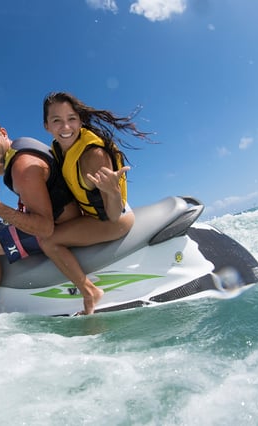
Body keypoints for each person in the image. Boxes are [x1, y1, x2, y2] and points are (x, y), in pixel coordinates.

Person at [37, 92, 151, 314]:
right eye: (56, 120)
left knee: (48, 241)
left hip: (114, 219)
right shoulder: (58, 149)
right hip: (94, 214)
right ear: (47, 126)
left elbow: (113, 214)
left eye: (71, 118)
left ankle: (90, 292)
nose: (65, 126)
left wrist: (112, 191)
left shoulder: (93, 156)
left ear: (80, 120)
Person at [0, 117, 80, 313]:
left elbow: (45, 228)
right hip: (66, 212)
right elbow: (4, 165)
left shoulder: (22, 167)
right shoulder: (17, 148)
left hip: (61, 224)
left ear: (3, 132)